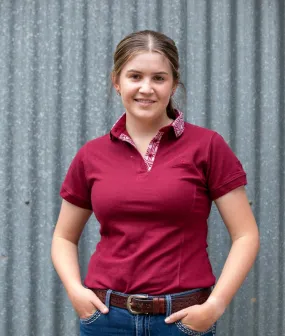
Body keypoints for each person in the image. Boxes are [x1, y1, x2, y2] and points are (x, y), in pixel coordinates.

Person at [51, 30, 259, 336]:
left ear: (173, 84)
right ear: (117, 82)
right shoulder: (91, 155)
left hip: (182, 322)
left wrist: (214, 306)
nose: (146, 88)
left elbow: (246, 234)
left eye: (158, 78)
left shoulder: (208, 146)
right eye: (135, 76)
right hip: (107, 321)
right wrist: (75, 290)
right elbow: (63, 238)